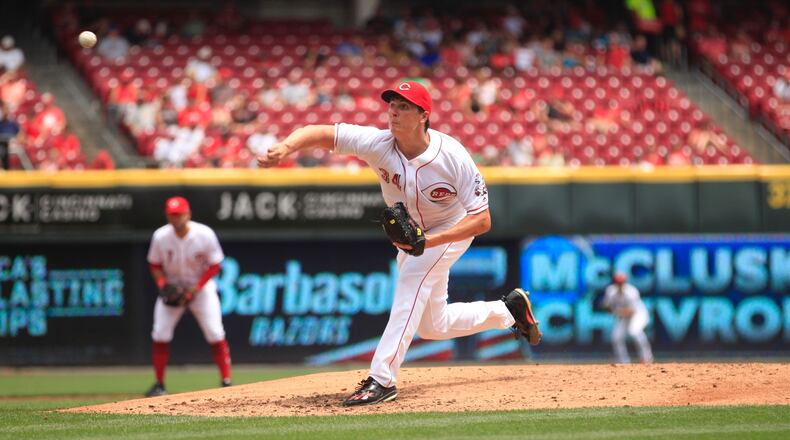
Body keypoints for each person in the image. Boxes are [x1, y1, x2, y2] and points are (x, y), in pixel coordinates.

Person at [257, 81, 542, 406]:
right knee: (433, 326)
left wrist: (432, 241)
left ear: (423, 115)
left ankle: (382, 380)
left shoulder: (452, 156)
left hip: (451, 228)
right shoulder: (377, 143)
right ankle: (508, 311)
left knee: (410, 284)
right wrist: (286, 146)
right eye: (392, 104)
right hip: (414, 237)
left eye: (404, 106)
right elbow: (323, 132)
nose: (394, 111)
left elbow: (482, 220)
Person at [144, 196, 232, 397]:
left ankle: (226, 381)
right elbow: (155, 264)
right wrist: (163, 285)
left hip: (201, 289)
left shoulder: (204, 233)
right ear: (167, 215)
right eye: (172, 215)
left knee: (215, 333)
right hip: (173, 288)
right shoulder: (161, 236)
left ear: (188, 214)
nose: (176, 218)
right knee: (160, 334)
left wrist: (196, 288)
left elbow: (216, 264)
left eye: (179, 214)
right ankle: (159, 384)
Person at [602, 272, 653, 364]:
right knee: (616, 337)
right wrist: (609, 308)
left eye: (621, 283)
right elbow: (606, 306)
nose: (620, 285)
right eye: (618, 283)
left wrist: (615, 311)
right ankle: (624, 361)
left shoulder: (631, 292)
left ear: (625, 282)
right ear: (614, 283)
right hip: (624, 317)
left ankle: (647, 358)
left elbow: (631, 311)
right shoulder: (610, 291)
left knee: (634, 331)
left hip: (639, 315)